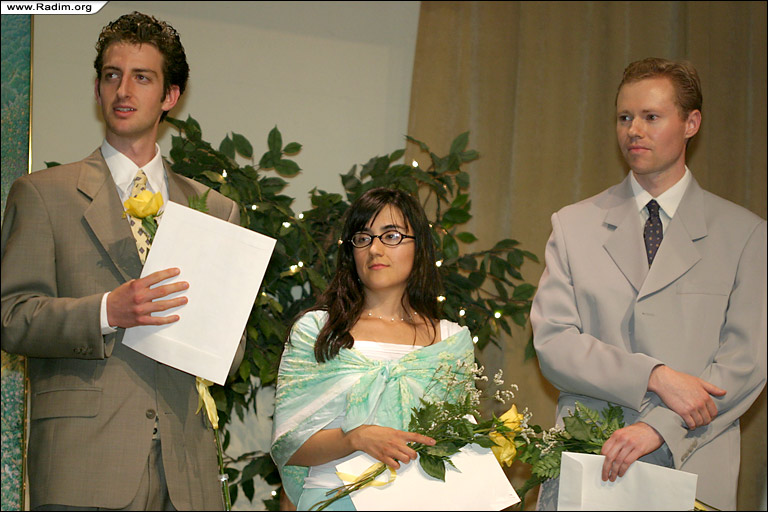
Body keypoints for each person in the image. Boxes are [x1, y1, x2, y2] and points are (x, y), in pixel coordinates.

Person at [1, 12, 245, 510]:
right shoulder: (42, 194)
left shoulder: (215, 210)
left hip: (186, 471)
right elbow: (11, 316)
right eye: (112, 75)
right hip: (84, 464)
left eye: (142, 77)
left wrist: (213, 339)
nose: (123, 90)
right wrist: (106, 311)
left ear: (170, 96)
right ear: (97, 89)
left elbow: (232, 348)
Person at [530, 57, 766, 510]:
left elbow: (746, 363)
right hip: (590, 460)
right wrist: (653, 376)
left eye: (651, 117)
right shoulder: (573, 225)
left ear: (691, 123)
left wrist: (660, 427)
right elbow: (554, 343)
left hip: (694, 457)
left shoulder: (746, 234)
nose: (633, 130)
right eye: (624, 117)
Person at [270, 187, 476, 510]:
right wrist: (354, 438)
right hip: (332, 499)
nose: (375, 249)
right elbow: (288, 445)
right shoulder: (317, 332)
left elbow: (458, 446)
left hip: (423, 501)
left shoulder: (451, 342)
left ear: (419, 247)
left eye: (391, 236)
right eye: (363, 238)